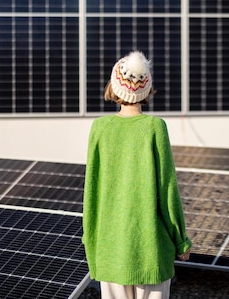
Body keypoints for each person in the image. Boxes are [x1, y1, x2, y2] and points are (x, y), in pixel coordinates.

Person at [82, 50, 192, 299]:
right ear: (146, 89)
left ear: (114, 86)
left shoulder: (100, 128)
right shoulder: (155, 127)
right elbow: (167, 191)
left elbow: (92, 193)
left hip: (110, 250)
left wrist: (91, 243)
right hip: (151, 250)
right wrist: (181, 241)